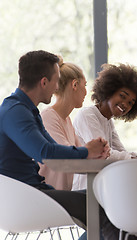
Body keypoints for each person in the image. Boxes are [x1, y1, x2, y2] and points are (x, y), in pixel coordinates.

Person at [0, 50, 119, 240]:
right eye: (56, 80)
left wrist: (89, 152)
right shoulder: (15, 112)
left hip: (35, 193)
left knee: (110, 200)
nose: (57, 87)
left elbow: (53, 147)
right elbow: (45, 153)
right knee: (106, 207)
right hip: (24, 200)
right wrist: (87, 151)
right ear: (44, 82)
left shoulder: (28, 111)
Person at [72, 63, 137, 190]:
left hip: (101, 188)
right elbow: (104, 153)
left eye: (130, 103)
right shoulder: (87, 115)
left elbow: (122, 153)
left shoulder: (108, 120)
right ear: (109, 91)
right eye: (122, 96)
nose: (125, 104)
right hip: (85, 190)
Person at [39, 56, 87, 190]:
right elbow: (68, 157)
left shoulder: (67, 120)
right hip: (46, 196)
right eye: (85, 85)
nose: (86, 92)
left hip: (60, 195)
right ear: (75, 85)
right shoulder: (48, 117)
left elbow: (84, 154)